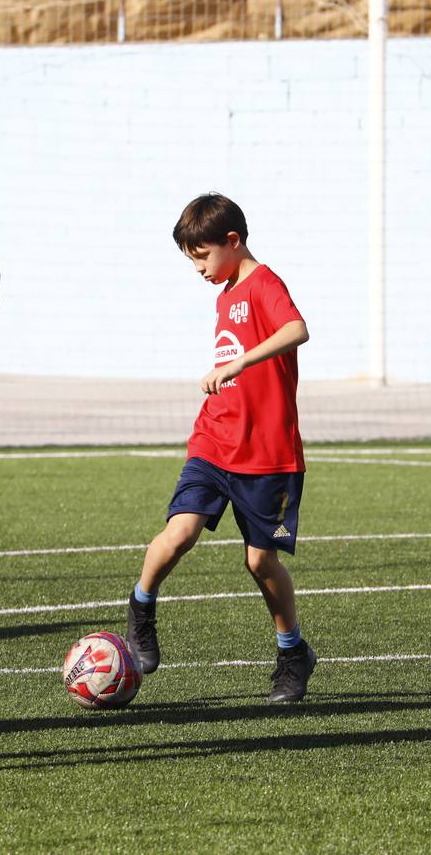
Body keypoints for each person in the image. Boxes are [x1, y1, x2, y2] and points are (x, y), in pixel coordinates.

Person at [125, 193, 316, 704]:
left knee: (260, 563)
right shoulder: (225, 291)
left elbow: (297, 329)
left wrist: (239, 364)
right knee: (179, 532)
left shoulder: (264, 283)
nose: (199, 269)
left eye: (202, 256)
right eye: (191, 260)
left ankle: (292, 652)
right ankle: (141, 609)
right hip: (214, 440)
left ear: (233, 241)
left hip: (268, 454)